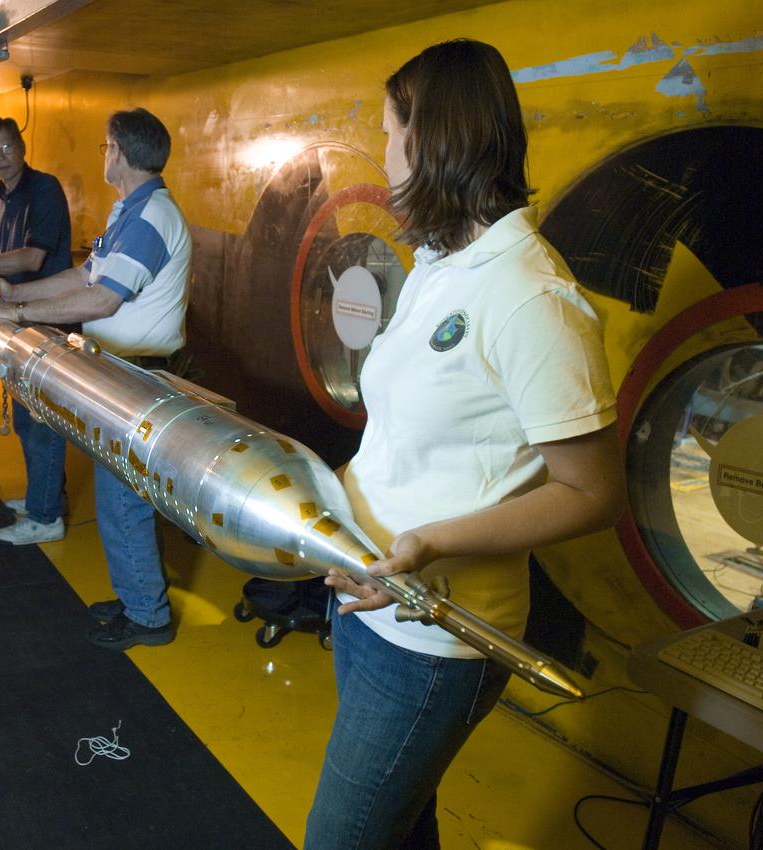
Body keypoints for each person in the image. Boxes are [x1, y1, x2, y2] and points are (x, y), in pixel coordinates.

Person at [302, 40, 624, 849]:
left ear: (432, 140)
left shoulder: (531, 299)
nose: (382, 152)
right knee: (404, 823)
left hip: (437, 633)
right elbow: (406, 438)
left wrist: (427, 543)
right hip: (368, 599)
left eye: (388, 133)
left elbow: (592, 492)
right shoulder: (442, 266)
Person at [0, 108, 191, 650]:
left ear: (117, 151)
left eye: (104, 145)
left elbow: (103, 298)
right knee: (118, 499)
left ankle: (148, 618)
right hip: (116, 368)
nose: (102, 153)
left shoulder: (151, 218)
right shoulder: (130, 211)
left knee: (122, 499)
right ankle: (138, 596)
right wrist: (14, 296)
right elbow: (85, 275)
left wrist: (12, 317)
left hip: (138, 375)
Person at [0, 116, 74, 542]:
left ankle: (45, 517)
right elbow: (0, 252)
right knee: (30, 418)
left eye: (8, 147)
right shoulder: (0, 194)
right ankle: (42, 497)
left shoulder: (43, 189)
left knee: (42, 418)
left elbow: (31, 259)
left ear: (22, 146)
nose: (2, 158)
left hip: (44, 317)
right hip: (18, 316)